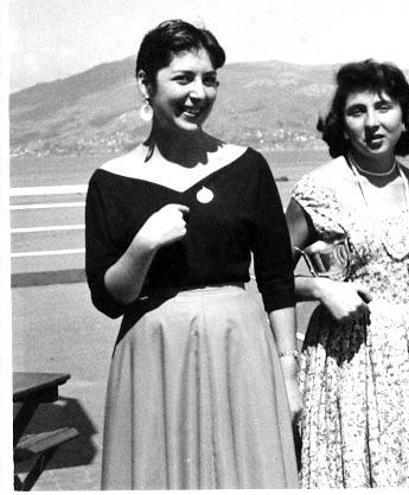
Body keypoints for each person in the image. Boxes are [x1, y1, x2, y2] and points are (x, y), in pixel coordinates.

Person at [84, 20, 300, 489]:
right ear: (146, 82)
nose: (198, 93)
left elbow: (278, 278)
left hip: (239, 345)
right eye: (183, 79)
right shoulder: (110, 181)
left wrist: (288, 370)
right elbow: (108, 298)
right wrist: (142, 246)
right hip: (154, 353)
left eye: (209, 79)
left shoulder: (247, 167)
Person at [286, 59, 409, 488]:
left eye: (383, 108)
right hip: (346, 359)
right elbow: (266, 281)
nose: (372, 123)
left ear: (405, 117)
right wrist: (321, 288)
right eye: (356, 111)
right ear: (341, 123)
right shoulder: (318, 189)